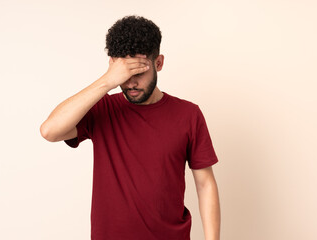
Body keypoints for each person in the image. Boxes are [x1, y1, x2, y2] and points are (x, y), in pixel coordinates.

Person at [40, 15, 220, 240]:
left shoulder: (188, 114)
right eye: (124, 74)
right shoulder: (102, 109)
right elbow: (50, 130)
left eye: (138, 73)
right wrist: (108, 81)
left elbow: (205, 185)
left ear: (159, 63)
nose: (131, 83)